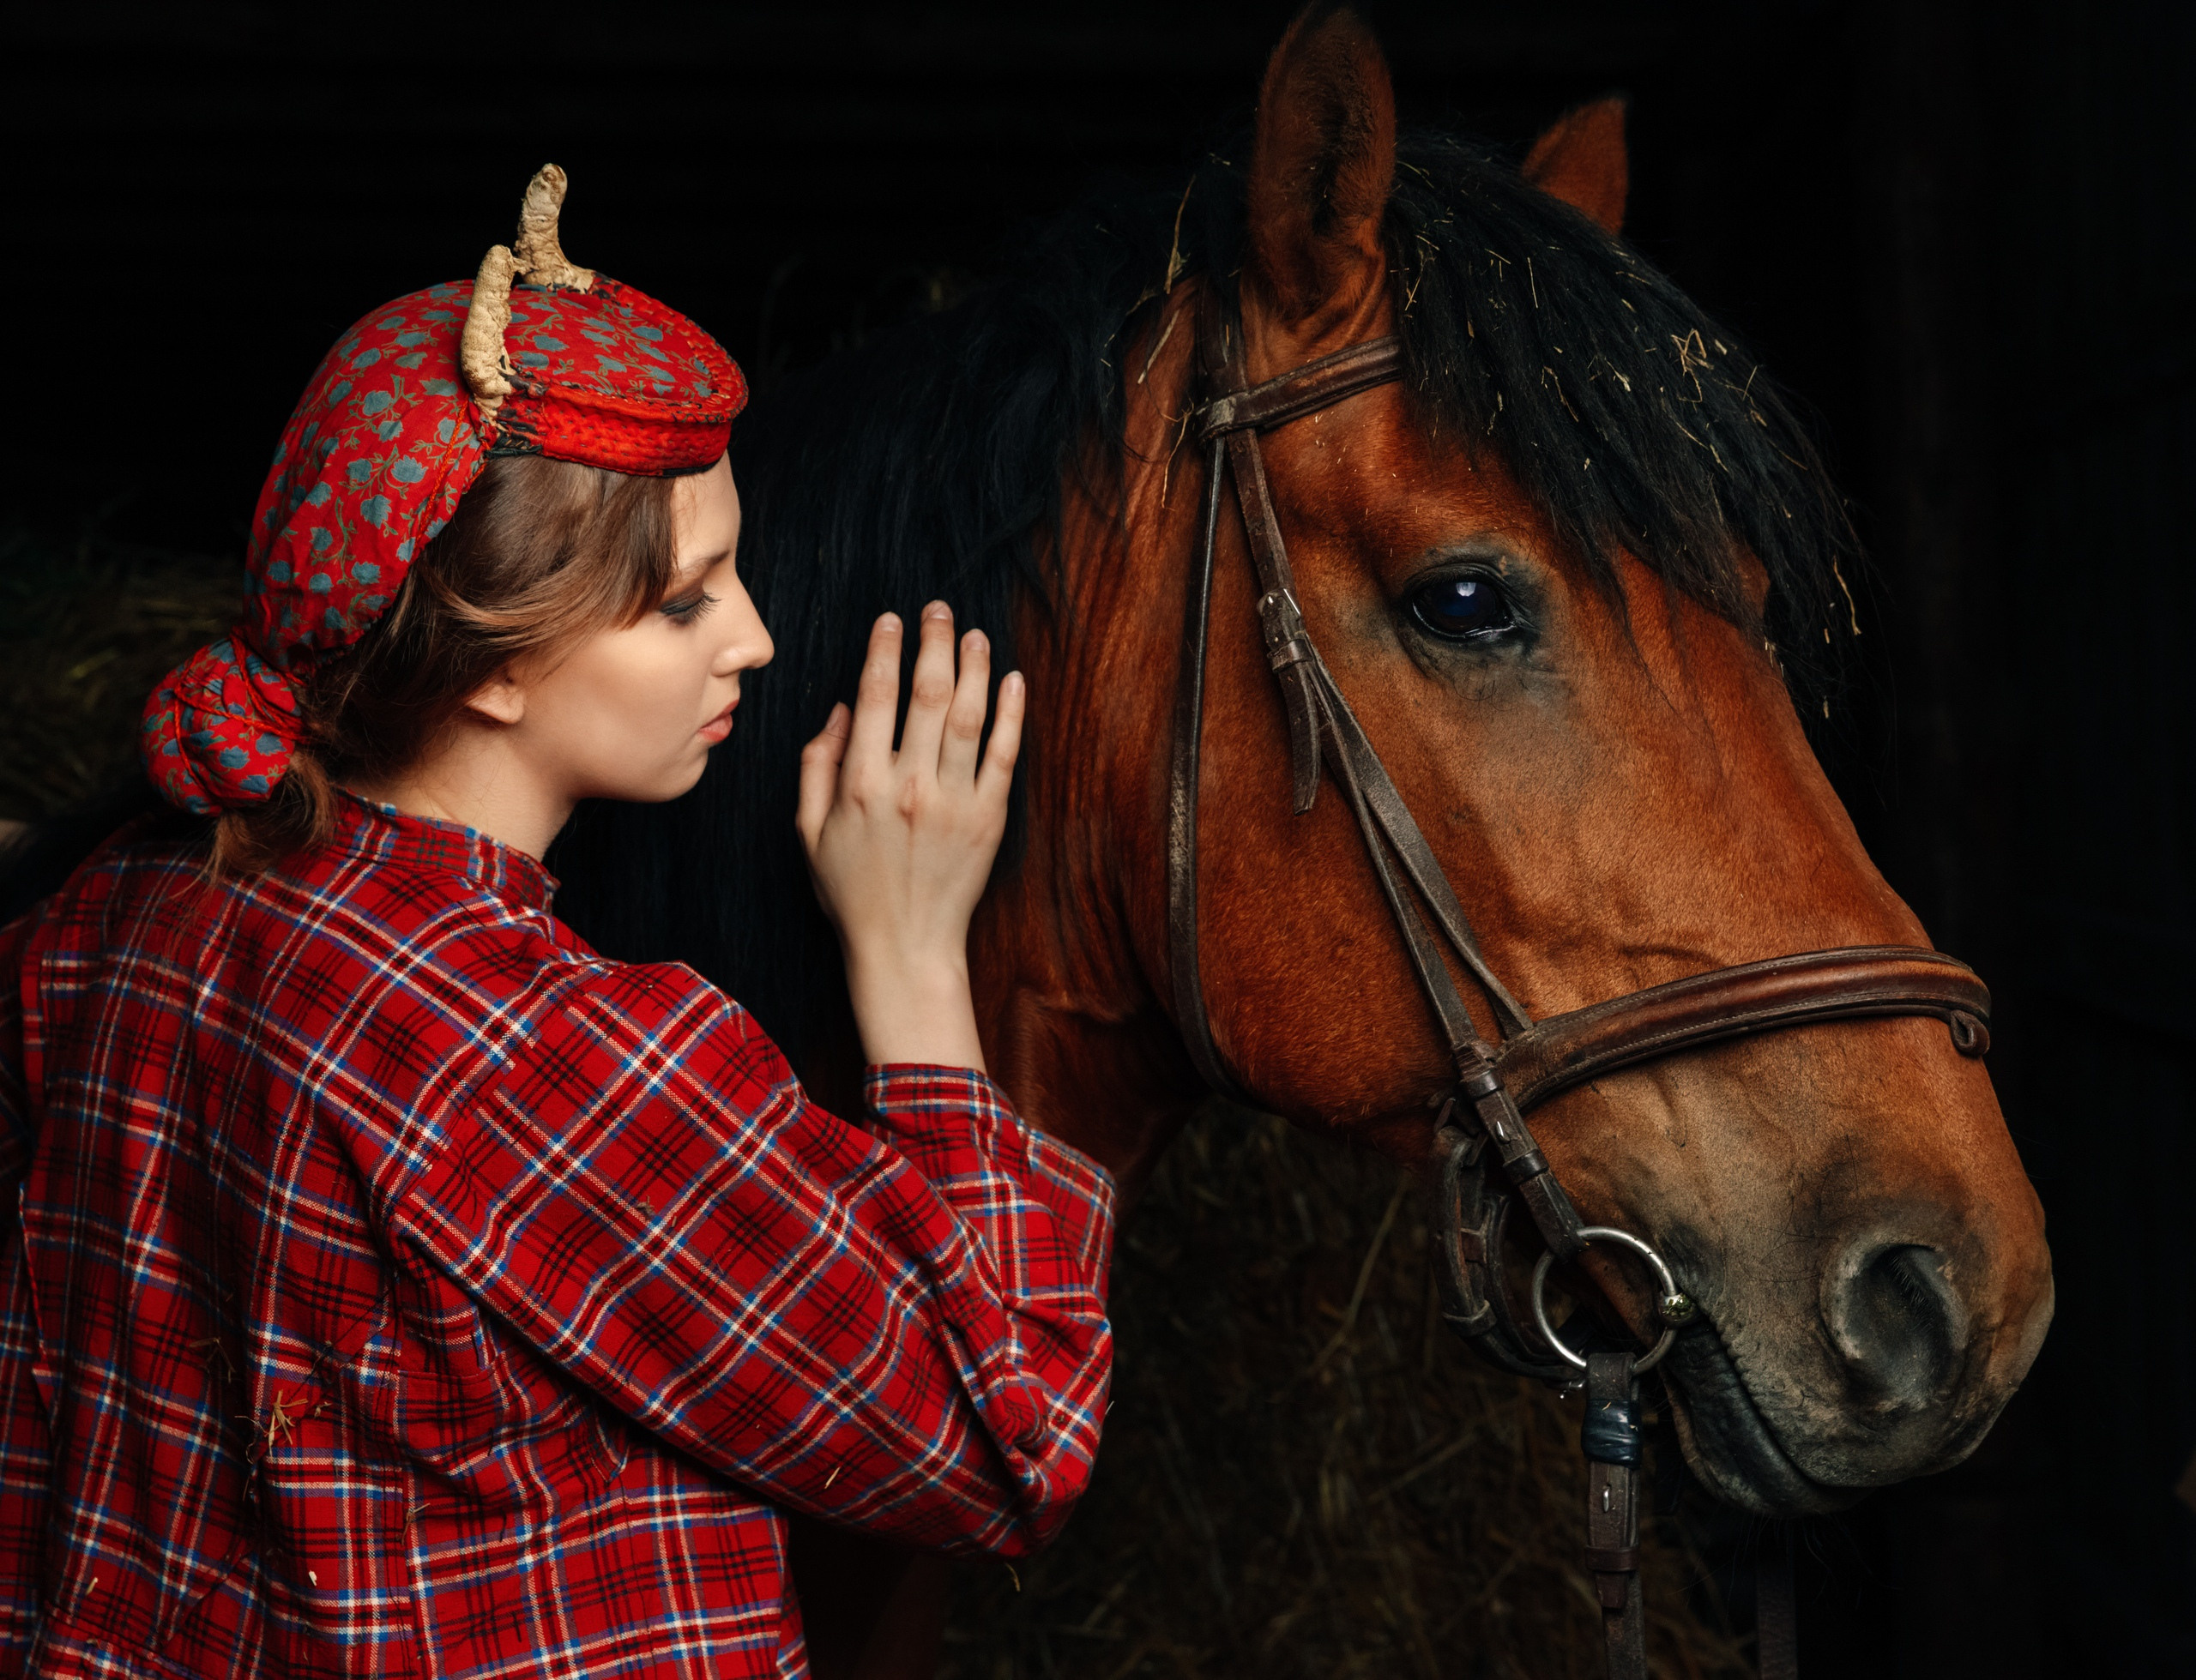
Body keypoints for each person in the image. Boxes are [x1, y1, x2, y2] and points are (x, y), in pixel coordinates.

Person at [0, 166, 1115, 1678]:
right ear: (497, 661)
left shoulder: (113, 916)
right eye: (682, 602)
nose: (758, 638)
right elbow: (1007, 1443)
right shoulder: (548, 1062)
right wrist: (912, 952)